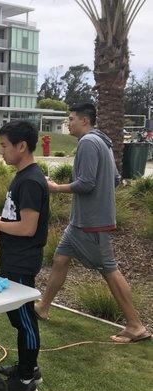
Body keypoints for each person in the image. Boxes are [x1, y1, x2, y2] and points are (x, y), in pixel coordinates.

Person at [34, 102, 151, 344]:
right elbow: (116, 180)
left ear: (84, 121)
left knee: (109, 269)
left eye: (72, 119)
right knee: (60, 259)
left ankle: (135, 325)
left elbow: (86, 183)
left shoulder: (88, 143)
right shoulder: (103, 142)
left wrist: (55, 188)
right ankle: (43, 307)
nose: (69, 123)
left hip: (91, 222)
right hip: (82, 221)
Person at [0, 120, 49, 391]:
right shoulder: (22, 176)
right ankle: (28, 367)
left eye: (4, 146)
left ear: (22, 146)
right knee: (18, 317)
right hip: (13, 258)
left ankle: (28, 378)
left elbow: (28, 227)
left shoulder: (30, 180)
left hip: (22, 260)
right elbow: (15, 217)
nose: (2, 151)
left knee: (24, 318)